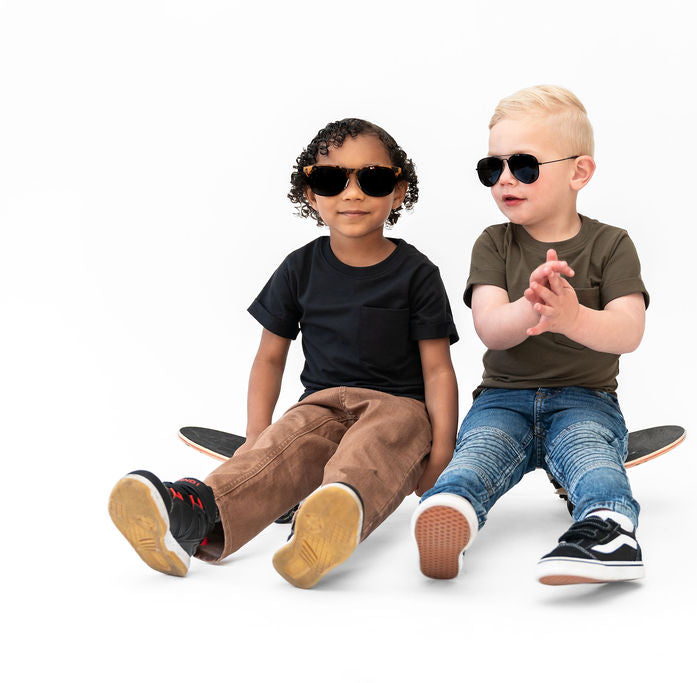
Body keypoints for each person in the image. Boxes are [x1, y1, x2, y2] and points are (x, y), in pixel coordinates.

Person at [108, 118, 459, 589]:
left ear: (398, 192)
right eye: (332, 180)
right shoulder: (299, 268)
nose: (353, 193)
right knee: (283, 451)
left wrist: (442, 450)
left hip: (399, 409)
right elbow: (270, 358)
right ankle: (192, 515)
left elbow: (438, 371)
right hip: (322, 405)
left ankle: (328, 519)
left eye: (372, 179)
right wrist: (257, 433)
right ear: (310, 194)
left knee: (374, 447)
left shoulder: (417, 274)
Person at [411, 86, 649, 585]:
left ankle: (608, 527)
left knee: (592, 457)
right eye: (491, 168)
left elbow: (628, 331)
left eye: (523, 166)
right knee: (476, 455)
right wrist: (532, 305)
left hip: (585, 399)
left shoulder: (611, 244)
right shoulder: (494, 243)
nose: (504, 179)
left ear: (578, 173)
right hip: (503, 399)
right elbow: (491, 329)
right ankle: (449, 512)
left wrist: (572, 317)